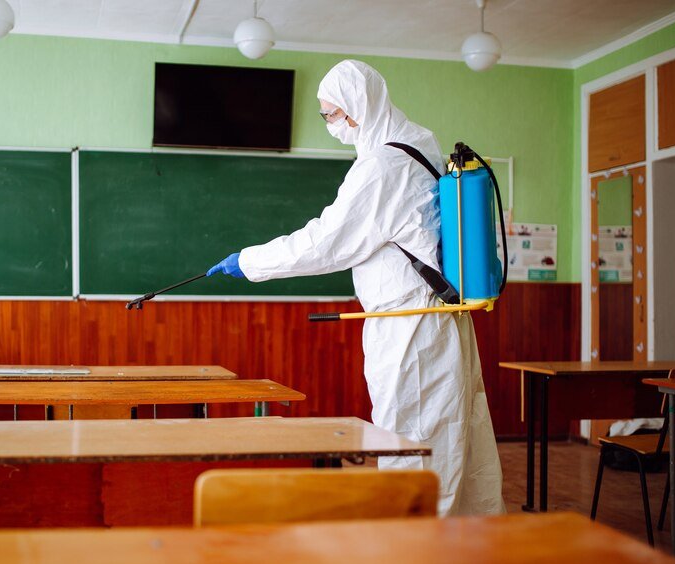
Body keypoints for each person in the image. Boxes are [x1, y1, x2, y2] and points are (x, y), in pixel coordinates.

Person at [206, 60, 504, 516]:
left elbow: (326, 242)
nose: (331, 125)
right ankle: (461, 554)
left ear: (357, 108)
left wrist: (250, 261)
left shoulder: (382, 168)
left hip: (411, 329)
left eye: (331, 115)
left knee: (416, 445)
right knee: (453, 437)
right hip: (435, 317)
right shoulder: (416, 141)